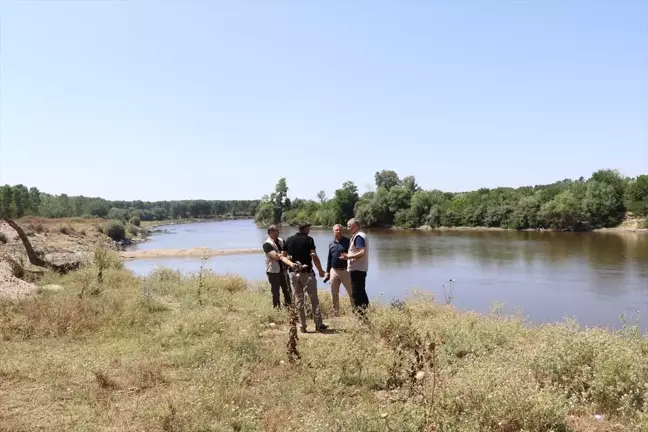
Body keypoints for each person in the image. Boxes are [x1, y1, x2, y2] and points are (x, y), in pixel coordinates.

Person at [285, 222, 328, 332]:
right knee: (314, 299)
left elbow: (284, 256)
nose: (310, 230)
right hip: (307, 272)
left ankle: (302, 326)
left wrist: (291, 265)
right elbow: (314, 256)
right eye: (309, 228)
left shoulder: (289, 240)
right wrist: (320, 270)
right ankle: (318, 324)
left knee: (299, 300)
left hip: (294, 273)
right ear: (305, 229)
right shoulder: (309, 240)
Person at [263, 225, 297, 308]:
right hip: (273, 271)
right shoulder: (267, 244)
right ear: (270, 232)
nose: (278, 232)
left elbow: (288, 252)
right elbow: (275, 256)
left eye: (278, 231)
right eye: (276, 231)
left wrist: (283, 255)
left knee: (288, 290)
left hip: (284, 270)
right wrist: (284, 255)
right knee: (275, 292)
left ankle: (289, 307)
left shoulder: (282, 240)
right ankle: (277, 309)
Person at [340, 218, 369, 314]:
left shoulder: (359, 236)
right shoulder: (358, 235)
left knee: (356, 295)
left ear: (355, 226)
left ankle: (361, 317)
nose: (347, 228)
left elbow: (361, 252)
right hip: (359, 269)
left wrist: (348, 256)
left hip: (358, 269)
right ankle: (367, 315)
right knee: (361, 293)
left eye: (349, 226)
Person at [325, 224, 354, 316]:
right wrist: (327, 271)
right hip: (334, 270)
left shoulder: (348, 242)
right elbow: (329, 258)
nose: (338, 231)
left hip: (346, 270)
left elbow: (353, 255)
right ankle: (335, 312)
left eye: (340, 230)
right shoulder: (331, 243)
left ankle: (356, 311)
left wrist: (347, 258)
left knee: (351, 292)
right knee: (334, 293)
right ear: (333, 232)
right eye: (336, 230)